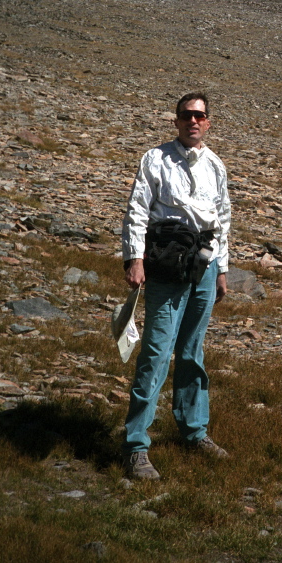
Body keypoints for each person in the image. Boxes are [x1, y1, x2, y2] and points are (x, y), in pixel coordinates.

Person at [121, 91, 231, 480]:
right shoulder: (155, 159)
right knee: (155, 353)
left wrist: (221, 269)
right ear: (176, 120)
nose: (193, 121)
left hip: (204, 265)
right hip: (167, 268)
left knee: (192, 352)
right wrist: (135, 258)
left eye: (200, 115)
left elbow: (223, 218)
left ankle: (194, 431)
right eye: (187, 115)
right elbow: (137, 209)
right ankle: (136, 445)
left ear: (208, 121)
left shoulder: (215, 164)